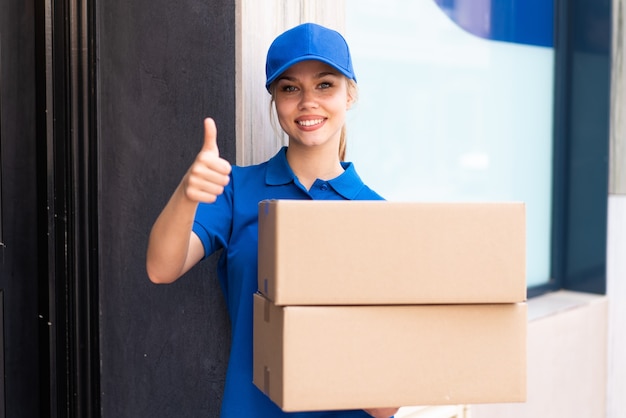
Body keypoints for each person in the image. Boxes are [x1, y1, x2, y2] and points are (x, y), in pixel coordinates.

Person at [146, 22, 399, 418]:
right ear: (275, 100)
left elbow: (386, 406)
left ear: (350, 95)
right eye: (290, 88)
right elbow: (161, 268)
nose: (308, 101)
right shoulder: (237, 190)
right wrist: (187, 193)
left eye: (325, 84)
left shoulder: (379, 216)